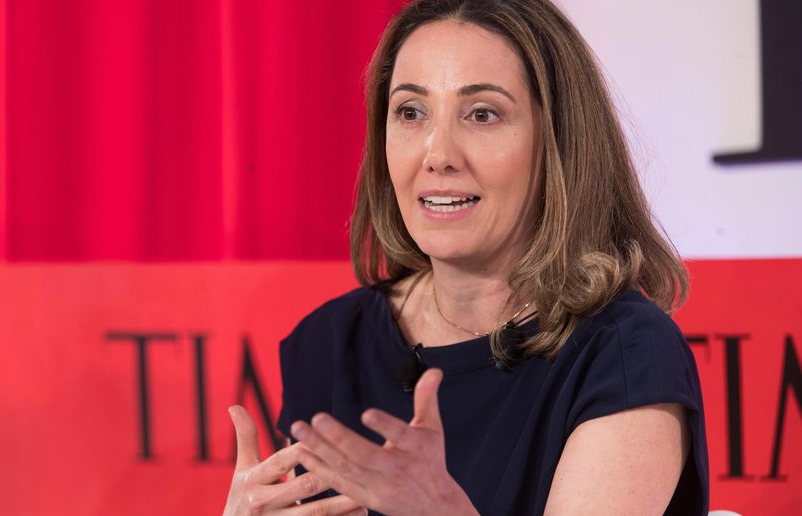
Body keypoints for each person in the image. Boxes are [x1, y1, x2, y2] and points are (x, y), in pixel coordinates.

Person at [224, 0, 708, 514]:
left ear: (559, 142)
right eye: (411, 112)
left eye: (482, 114)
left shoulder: (624, 355)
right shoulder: (330, 341)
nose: (438, 155)